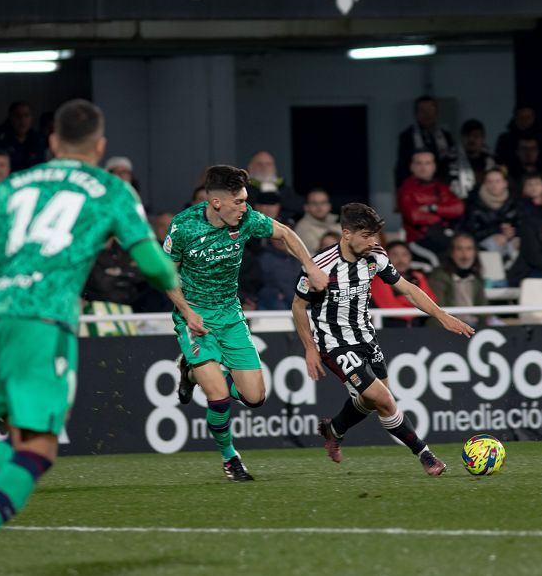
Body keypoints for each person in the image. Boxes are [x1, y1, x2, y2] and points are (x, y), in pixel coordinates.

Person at [0, 99, 179, 576]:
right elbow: (153, 267)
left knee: (20, 437)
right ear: (100, 147)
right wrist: (175, 276)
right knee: (40, 448)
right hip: (42, 320)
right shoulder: (110, 189)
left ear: (53, 142)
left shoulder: (13, 183)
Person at [167, 165, 327, 482]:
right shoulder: (184, 227)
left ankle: (190, 371)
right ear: (216, 203)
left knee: (254, 397)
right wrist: (187, 311)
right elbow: (166, 274)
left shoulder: (248, 220)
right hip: (195, 316)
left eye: (245, 200)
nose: (245, 207)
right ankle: (231, 458)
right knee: (218, 396)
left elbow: (285, 233)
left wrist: (309, 265)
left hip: (231, 314)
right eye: (238, 201)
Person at [293, 204, 474, 477]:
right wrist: (310, 348)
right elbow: (298, 306)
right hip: (334, 342)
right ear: (346, 233)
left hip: (366, 337)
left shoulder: (375, 256)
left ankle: (334, 430)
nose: (373, 241)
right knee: (385, 400)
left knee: (370, 402)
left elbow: (408, 289)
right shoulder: (320, 266)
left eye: (375, 235)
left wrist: (441, 315)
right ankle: (425, 455)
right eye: (366, 235)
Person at [396, 150, 464, 267]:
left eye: (427, 163)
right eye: (419, 163)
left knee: (464, 249)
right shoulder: (406, 189)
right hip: (419, 239)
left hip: (443, 236)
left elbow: (458, 208)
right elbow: (415, 216)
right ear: (412, 167)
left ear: (434, 166)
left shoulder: (441, 187)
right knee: (443, 258)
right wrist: (441, 218)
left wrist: (432, 208)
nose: (423, 168)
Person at [369, 240, 437, 328]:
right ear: (385, 258)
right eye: (394, 255)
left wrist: (403, 300)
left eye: (405, 255)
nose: (400, 260)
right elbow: (389, 306)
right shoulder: (378, 278)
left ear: (410, 257)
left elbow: (430, 300)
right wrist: (414, 303)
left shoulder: (418, 276)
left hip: (417, 328)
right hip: (388, 330)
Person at [427, 232, 487, 328]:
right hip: (449, 327)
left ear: (475, 253)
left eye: (469, 249)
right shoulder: (439, 277)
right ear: (451, 253)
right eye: (459, 249)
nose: (465, 255)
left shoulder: (477, 278)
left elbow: (484, 310)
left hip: (473, 328)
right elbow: (438, 311)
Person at [394, 95, 456, 185]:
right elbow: (402, 168)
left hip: (442, 187)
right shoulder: (407, 136)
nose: (427, 114)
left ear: (436, 112)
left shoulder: (446, 136)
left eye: (431, 110)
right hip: (416, 188)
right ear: (416, 114)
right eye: (423, 111)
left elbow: (451, 163)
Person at [0, 101, 47, 175]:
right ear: (10, 118)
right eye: (18, 116)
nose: (22, 120)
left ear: (31, 118)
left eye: (26, 115)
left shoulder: (37, 139)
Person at [462, 168, 519, 259]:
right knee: (496, 242)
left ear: (505, 183)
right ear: (485, 184)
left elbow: (523, 225)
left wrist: (514, 232)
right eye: (490, 182)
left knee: (520, 242)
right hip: (484, 243)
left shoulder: (514, 202)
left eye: (497, 181)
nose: (494, 185)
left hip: (509, 240)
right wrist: (496, 231)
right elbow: (470, 233)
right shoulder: (474, 204)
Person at [245, 151, 302, 219]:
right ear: (250, 167)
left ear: (274, 167)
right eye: (259, 164)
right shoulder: (244, 188)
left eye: (268, 164)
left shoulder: (283, 187)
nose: (264, 167)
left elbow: (299, 207)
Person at [448, 119, 498, 199]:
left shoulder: (493, 160)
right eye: (467, 136)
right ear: (461, 138)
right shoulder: (449, 161)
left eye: (476, 136)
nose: (471, 139)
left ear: (483, 139)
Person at [294, 188, 340, 254]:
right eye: (314, 203)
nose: (319, 207)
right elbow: (322, 253)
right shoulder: (303, 228)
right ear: (306, 207)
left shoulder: (339, 222)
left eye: (323, 203)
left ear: (329, 206)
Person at [494, 104, 538, 168]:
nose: (525, 121)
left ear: (534, 118)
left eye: (528, 117)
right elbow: (499, 163)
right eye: (522, 118)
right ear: (516, 118)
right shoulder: (505, 140)